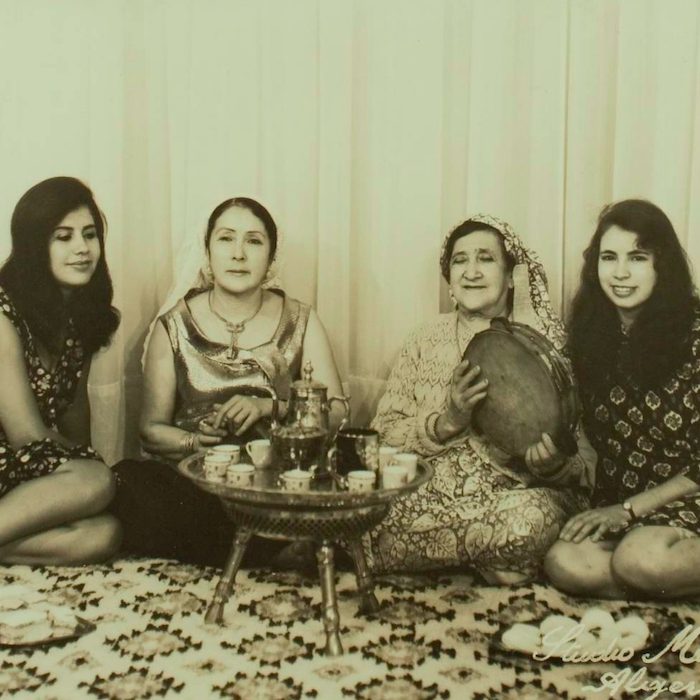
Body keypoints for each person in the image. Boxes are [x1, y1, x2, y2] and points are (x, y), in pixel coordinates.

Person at [112, 196, 345, 566]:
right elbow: (150, 431)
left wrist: (269, 407)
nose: (238, 254)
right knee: (127, 480)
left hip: (280, 483)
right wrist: (195, 441)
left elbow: (338, 414)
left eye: (253, 241)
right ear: (207, 252)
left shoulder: (301, 320)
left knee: (349, 474)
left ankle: (248, 545)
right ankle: (268, 549)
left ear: (271, 257)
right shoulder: (174, 325)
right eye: (226, 239)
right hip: (200, 486)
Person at [365, 214, 593, 584]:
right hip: (431, 493)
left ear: (511, 276)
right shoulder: (424, 338)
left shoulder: (550, 346)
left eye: (485, 258)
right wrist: (447, 422)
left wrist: (553, 466)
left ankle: (388, 553)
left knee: (530, 521)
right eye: (460, 260)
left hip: (517, 498)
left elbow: (586, 466)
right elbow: (381, 437)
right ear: (449, 279)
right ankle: (491, 558)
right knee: (368, 509)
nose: (471, 271)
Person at [545, 200, 700, 599]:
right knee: (564, 563)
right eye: (609, 257)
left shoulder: (695, 335)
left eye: (638, 257)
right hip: (627, 504)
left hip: (686, 495)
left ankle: (648, 571)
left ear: (662, 265)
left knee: (639, 560)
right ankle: (663, 582)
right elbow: (582, 439)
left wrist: (630, 510)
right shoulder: (589, 334)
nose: (621, 273)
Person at [0, 176, 121, 565]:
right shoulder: (3, 314)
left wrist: (87, 472)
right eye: (63, 237)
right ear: (35, 247)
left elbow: (74, 420)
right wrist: (91, 472)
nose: (82, 249)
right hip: (17, 453)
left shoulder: (80, 316)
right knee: (98, 481)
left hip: (21, 474)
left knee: (103, 535)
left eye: (90, 234)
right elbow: (25, 434)